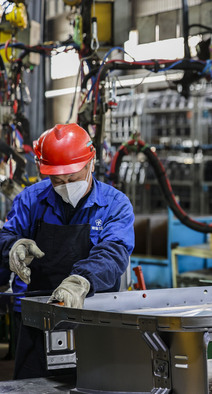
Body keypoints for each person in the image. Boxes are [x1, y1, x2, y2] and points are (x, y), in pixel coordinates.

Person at [0, 123, 135, 379]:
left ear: (91, 163)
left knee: (94, 383)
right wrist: (12, 247)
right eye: (56, 180)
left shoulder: (115, 205)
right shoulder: (31, 199)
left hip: (94, 316)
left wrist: (81, 281)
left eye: (72, 178)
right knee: (34, 386)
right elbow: (6, 234)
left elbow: (114, 251)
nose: (65, 185)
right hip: (35, 315)